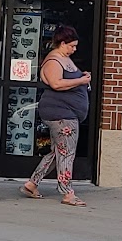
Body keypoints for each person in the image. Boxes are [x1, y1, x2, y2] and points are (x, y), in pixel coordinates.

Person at [22, 23, 89, 205]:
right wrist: (81, 81)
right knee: (67, 153)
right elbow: (56, 83)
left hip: (66, 112)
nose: (74, 49)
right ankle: (68, 193)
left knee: (57, 152)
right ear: (62, 43)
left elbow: (68, 79)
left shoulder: (64, 58)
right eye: (71, 46)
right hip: (60, 113)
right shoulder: (53, 61)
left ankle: (32, 184)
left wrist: (81, 77)